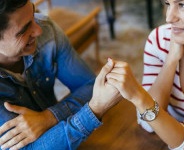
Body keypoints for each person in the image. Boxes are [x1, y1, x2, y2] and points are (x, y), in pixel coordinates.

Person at [0, 0, 121, 150]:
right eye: (24, 30)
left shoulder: (47, 31)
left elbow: (90, 86)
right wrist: (93, 111)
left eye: (34, 13)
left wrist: (49, 117)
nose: (38, 30)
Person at [105, 0, 184, 149]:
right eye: (168, 4)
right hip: (166, 132)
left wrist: (138, 95)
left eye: (183, 5)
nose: (169, 18)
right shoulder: (160, 39)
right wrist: (171, 60)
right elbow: (148, 124)